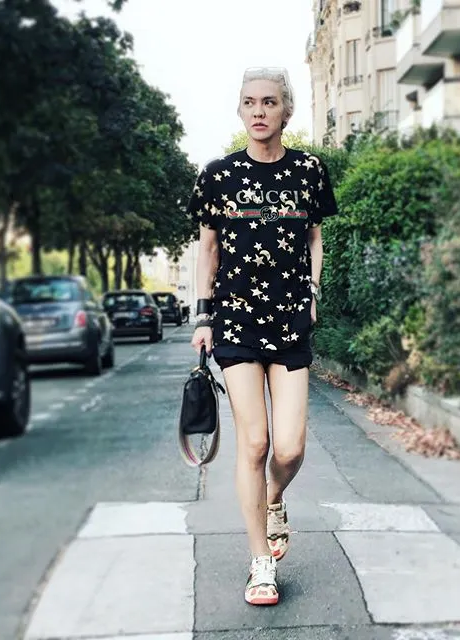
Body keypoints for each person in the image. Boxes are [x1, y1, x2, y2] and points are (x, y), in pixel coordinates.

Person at [187, 66, 338, 606]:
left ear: (286, 111)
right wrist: (202, 317)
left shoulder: (309, 171)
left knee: (290, 448)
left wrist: (313, 291)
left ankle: (273, 498)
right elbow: (207, 250)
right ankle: (260, 564)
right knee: (254, 442)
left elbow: (315, 238)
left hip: (291, 319)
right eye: (250, 102)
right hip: (236, 320)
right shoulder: (217, 176)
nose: (258, 111)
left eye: (269, 102)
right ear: (240, 109)